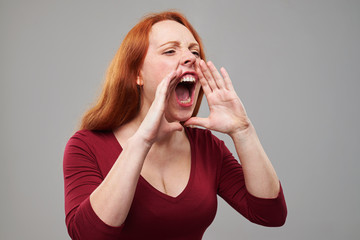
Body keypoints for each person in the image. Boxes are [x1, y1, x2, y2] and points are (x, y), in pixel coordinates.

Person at [63, 11, 287, 240]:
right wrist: (141, 142)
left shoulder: (207, 147)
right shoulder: (87, 146)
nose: (190, 58)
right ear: (137, 74)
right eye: (170, 50)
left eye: (194, 51)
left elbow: (271, 214)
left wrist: (243, 131)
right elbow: (87, 235)